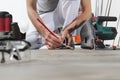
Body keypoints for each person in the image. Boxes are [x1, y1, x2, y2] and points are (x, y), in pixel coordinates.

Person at [26, 0, 92, 50]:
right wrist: (45, 34)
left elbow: (87, 11)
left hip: (63, 14)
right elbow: (30, 8)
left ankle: (65, 38)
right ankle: (56, 38)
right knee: (32, 41)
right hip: (43, 16)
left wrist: (68, 30)